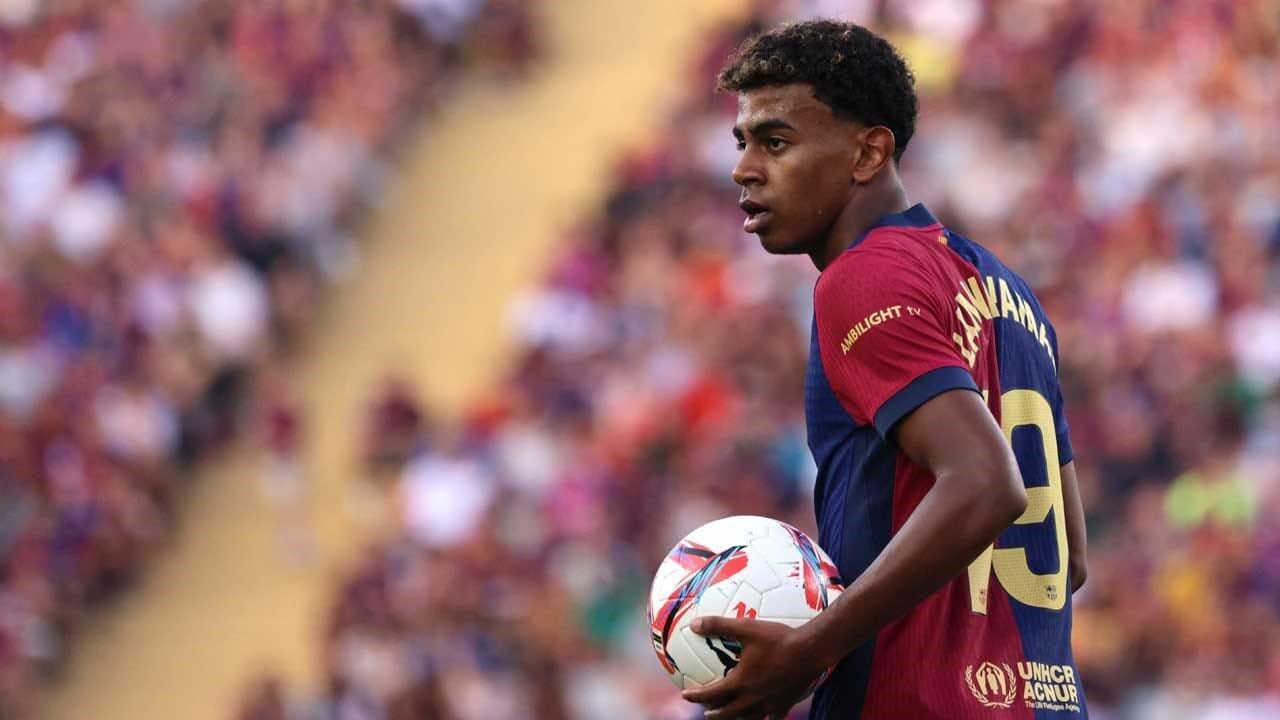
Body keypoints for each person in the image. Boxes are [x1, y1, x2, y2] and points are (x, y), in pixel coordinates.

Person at [680, 20, 1089, 720]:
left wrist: (811, 646)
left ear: (869, 152)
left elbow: (986, 483)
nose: (744, 168)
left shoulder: (863, 277)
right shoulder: (1012, 295)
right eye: (742, 142)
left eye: (775, 142)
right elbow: (1070, 556)